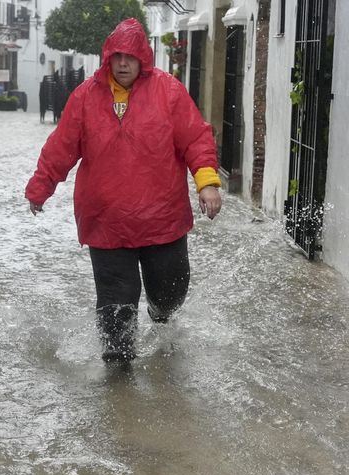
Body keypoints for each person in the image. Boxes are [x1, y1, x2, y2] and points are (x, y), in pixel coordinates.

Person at [25, 18, 222, 363]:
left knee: (169, 293)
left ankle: (161, 323)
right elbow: (61, 147)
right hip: (107, 224)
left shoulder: (169, 92)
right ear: (107, 59)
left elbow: (196, 140)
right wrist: (40, 188)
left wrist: (206, 184)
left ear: (143, 58)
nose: (123, 63)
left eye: (130, 57)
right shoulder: (85, 97)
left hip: (163, 221)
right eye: (116, 57)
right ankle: (117, 376)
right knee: (116, 306)